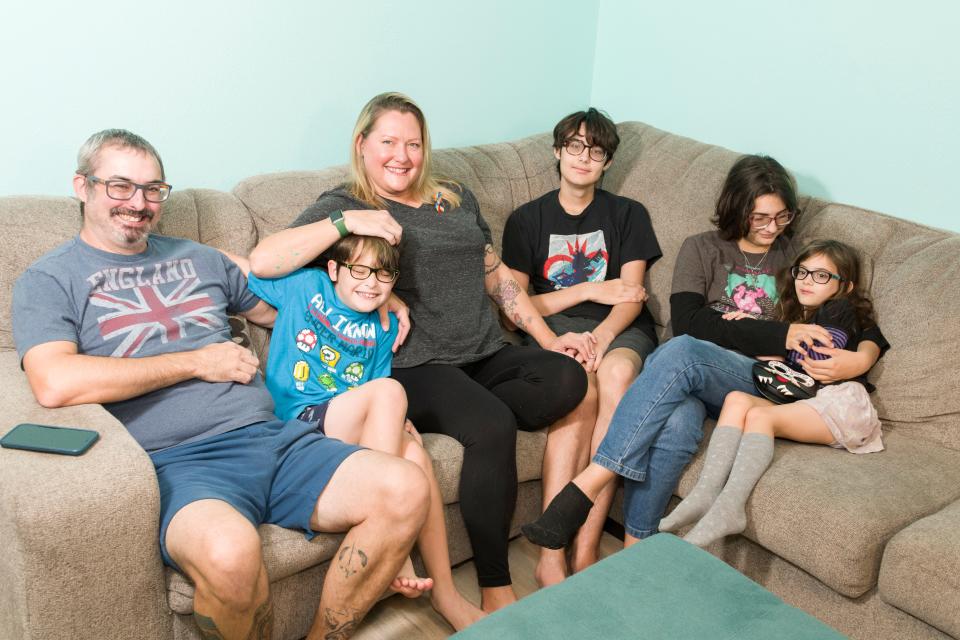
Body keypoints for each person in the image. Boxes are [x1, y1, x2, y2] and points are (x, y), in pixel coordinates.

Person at [12, 129, 432, 640]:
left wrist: (371, 295)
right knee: (231, 551)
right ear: (82, 186)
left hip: (273, 437)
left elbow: (287, 312)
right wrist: (195, 363)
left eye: (153, 189)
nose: (139, 203)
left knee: (405, 486)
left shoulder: (198, 257)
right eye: (120, 187)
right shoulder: (51, 278)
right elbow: (54, 382)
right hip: (180, 462)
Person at [248, 92, 590, 612]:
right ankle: (496, 584)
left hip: (484, 349)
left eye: (413, 143)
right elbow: (266, 260)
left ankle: (474, 410)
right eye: (388, 142)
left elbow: (494, 275)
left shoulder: (454, 196)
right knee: (492, 424)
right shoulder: (344, 203)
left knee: (569, 379)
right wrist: (347, 227)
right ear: (362, 145)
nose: (402, 156)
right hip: (415, 365)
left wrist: (549, 340)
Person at [521, 154, 889, 552]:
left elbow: (857, 312)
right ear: (737, 208)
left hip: (756, 377)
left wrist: (865, 356)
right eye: (761, 217)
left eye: (782, 217)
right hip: (697, 372)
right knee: (675, 426)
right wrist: (782, 333)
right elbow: (691, 321)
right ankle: (634, 550)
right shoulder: (701, 249)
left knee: (681, 351)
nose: (772, 228)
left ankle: (588, 483)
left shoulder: (794, 256)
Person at [226, 234, 484, 630]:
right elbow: (240, 264)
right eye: (359, 270)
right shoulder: (306, 287)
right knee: (391, 392)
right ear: (333, 270)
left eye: (384, 275)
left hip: (344, 421)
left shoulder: (382, 326)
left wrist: (395, 425)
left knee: (416, 455)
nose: (371, 283)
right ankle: (395, 550)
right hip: (299, 422)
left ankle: (446, 594)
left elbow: (371, 391)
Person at [500, 108, 661, 584]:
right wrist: (589, 290)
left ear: (607, 161)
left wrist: (603, 336)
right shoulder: (526, 220)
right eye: (574, 145)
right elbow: (518, 305)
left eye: (596, 150)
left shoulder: (628, 214)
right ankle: (551, 551)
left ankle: (586, 546)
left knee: (615, 378)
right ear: (557, 151)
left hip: (619, 329)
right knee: (578, 391)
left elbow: (631, 297)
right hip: (557, 329)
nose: (583, 157)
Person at [660, 239, 885, 547]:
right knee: (736, 400)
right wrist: (763, 335)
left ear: (845, 286)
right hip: (811, 399)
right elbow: (792, 367)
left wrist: (772, 341)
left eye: (822, 276)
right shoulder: (796, 315)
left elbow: (816, 360)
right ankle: (704, 493)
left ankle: (730, 508)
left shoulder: (838, 309)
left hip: (841, 404)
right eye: (803, 272)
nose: (807, 281)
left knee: (761, 416)